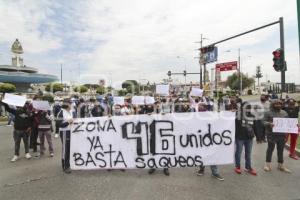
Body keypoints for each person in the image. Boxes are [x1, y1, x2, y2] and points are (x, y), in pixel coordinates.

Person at [263, 99, 291, 173]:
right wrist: (269, 124)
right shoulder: (268, 113)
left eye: (279, 104)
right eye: (276, 104)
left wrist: (294, 125)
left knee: (281, 150)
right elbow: (263, 122)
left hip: (281, 135)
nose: (278, 105)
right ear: (272, 105)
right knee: (270, 149)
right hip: (271, 134)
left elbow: (288, 122)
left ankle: (280, 165)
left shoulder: (284, 112)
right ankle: (267, 165)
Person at [147, 103, 170, 176]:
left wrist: (166, 115)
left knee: (164, 152)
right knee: (153, 151)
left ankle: (165, 167)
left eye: (158, 104)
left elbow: (170, 120)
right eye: (156, 105)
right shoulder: (150, 113)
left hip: (163, 136)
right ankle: (153, 166)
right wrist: (149, 116)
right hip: (153, 135)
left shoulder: (165, 112)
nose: (157, 106)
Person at [234, 102, 257, 175]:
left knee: (248, 153)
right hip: (240, 138)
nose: (247, 109)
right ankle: (237, 167)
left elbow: (255, 127)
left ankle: (248, 167)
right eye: (245, 107)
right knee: (238, 152)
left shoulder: (252, 116)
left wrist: (259, 137)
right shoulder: (237, 116)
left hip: (249, 138)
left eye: (248, 107)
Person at [56, 99, 74, 173]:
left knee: (69, 149)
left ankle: (69, 163)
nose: (72, 105)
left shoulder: (70, 112)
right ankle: (65, 166)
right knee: (65, 149)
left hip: (71, 132)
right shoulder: (61, 112)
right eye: (70, 103)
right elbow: (58, 124)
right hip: (64, 132)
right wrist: (67, 122)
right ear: (67, 104)